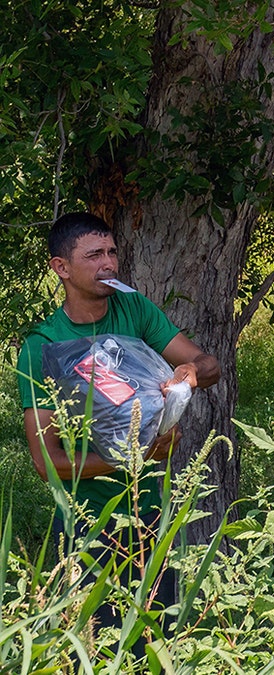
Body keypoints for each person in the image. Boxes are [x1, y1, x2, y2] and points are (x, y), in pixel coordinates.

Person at [17, 211, 220, 632]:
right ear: (61, 268)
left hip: (150, 515)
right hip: (86, 524)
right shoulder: (44, 346)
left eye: (112, 252)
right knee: (97, 645)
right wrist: (135, 457)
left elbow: (208, 363)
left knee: (155, 639)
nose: (108, 263)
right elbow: (47, 463)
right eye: (93, 255)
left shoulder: (134, 308)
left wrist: (191, 373)